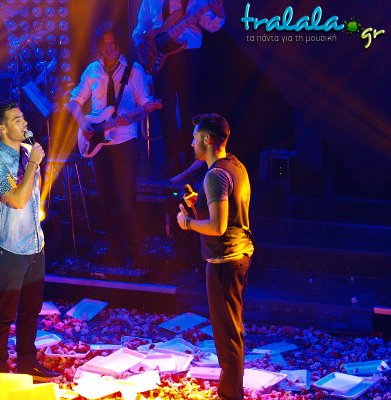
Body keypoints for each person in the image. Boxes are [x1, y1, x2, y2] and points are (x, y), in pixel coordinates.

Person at [0, 101, 60, 386]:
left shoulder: (27, 152)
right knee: (4, 313)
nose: (24, 123)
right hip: (10, 247)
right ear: (2, 128)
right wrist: (34, 165)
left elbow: (33, 199)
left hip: (35, 245)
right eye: (16, 120)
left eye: (23, 118)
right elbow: (16, 200)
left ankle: (27, 363)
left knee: (30, 311)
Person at [176, 114, 253, 400]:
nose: (191, 143)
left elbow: (218, 227)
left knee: (226, 332)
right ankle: (231, 390)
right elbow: (228, 213)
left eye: (195, 137)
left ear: (207, 139)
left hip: (225, 261)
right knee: (232, 327)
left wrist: (187, 222)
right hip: (240, 253)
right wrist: (201, 206)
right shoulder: (235, 165)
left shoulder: (214, 176)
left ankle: (230, 395)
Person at [68, 22, 153, 266]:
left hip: (125, 140)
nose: (110, 48)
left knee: (127, 196)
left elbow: (145, 104)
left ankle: (135, 250)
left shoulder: (134, 70)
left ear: (119, 44)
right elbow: (74, 101)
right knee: (106, 197)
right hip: (98, 142)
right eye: (105, 44)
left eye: (113, 43)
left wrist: (134, 117)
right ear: (99, 47)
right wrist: (83, 124)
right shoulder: (92, 71)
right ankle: (115, 249)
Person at [133, 0, 225, 177]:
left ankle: (193, 161)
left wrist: (219, 11)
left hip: (188, 53)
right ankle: (172, 160)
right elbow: (142, 24)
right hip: (159, 52)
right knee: (164, 111)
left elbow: (211, 25)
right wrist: (139, 42)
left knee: (190, 110)